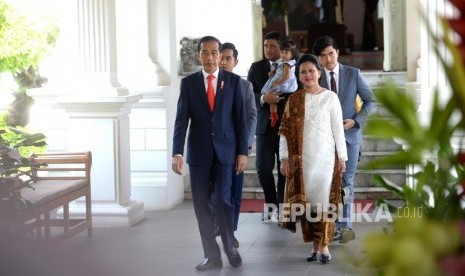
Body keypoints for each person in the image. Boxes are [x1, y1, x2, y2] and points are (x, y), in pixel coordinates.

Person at [172, 36, 248, 271]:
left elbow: (241, 121)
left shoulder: (235, 82)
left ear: (220, 55)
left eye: (214, 52)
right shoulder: (189, 84)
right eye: (205, 53)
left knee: (224, 202)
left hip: (226, 153)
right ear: (199, 56)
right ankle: (211, 255)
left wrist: (242, 152)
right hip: (199, 154)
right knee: (201, 205)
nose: (210, 57)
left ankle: (229, 247)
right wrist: (177, 152)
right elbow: (181, 120)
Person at [279, 54, 347, 264]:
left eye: (311, 71)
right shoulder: (294, 99)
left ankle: (325, 245)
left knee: (324, 202)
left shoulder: (330, 97)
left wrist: (342, 157)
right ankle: (315, 245)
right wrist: (284, 158)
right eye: (303, 72)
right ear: (298, 76)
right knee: (307, 204)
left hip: (326, 160)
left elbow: (338, 130)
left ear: (319, 72)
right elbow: (284, 132)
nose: (308, 75)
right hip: (302, 162)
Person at [312, 35, 376, 244]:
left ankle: (345, 226)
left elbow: (370, 101)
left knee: (346, 183)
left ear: (337, 52)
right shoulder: (315, 77)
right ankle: (331, 225)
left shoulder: (353, 74)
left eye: (331, 54)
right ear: (318, 58)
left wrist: (356, 121)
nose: (328, 59)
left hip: (349, 138)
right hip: (323, 141)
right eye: (323, 56)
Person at [213, 42, 257, 248]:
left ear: (236, 62)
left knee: (234, 192)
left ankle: (230, 231)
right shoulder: (209, 85)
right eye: (221, 57)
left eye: (228, 58)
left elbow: (250, 117)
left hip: (236, 149)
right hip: (212, 149)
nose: (224, 62)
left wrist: (245, 148)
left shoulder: (245, 86)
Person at [247, 31, 287, 222]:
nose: (268, 49)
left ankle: (281, 208)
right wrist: (264, 98)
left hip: (286, 127)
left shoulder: (290, 67)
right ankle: (270, 204)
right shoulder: (256, 68)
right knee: (263, 168)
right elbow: (248, 96)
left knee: (283, 170)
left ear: (281, 48)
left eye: (272, 46)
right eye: (265, 46)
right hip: (264, 126)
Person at [261, 39, 299, 128]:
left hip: (283, 84)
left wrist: (278, 83)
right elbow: (279, 71)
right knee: (271, 97)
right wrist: (273, 72)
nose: (283, 55)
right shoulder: (284, 62)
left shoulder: (287, 64)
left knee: (270, 94)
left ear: (292, 54)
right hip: (282, 83)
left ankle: (273, 114)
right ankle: (273, 114)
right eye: (282, 52)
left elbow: (287, 76)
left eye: (286, 53)